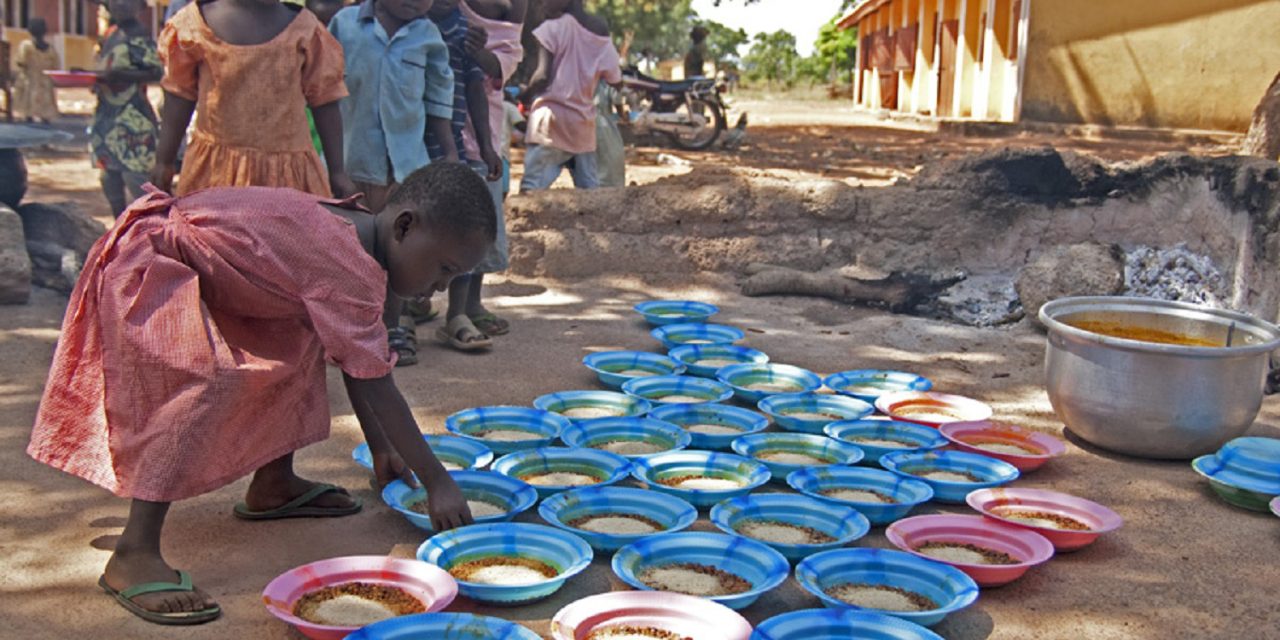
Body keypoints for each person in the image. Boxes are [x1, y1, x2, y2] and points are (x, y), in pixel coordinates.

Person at [28, 162, 492, 626]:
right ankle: (135, 551)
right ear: (405, 226)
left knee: (298, 344)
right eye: (445, 269)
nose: (443, 287)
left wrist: (382, 449)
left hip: (207, 271)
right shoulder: (344, 263)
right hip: (153, 264)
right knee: (200, 386)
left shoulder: (361, 244)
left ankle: (274, 484)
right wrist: (438, 481)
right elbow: (377, 383)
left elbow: (361, 364)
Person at [329, 0, 456, 366]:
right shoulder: (345, 25)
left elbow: (438, 98)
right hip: (352, 165)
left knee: (398, 251)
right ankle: (350, 330)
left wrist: (448, 152)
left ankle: (392, 325)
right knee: (350, 250)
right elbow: (323, 89)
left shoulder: (427, 34)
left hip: (405, 169)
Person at [151, 0, 354, 198]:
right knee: (214, 232)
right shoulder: (196, 25)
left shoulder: (305, 29)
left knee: (284, 232)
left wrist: (337, 171)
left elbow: (324, 101)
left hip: (287, 179)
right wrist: (164, 161)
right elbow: (180, 96)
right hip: (214, 173)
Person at [445, 0, 526, 343]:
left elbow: (494, 68)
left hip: (481, 142)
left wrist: (476, 51)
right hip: (433, 133)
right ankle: (412, 305)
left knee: (476, 229)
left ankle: (467, 307)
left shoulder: (509, 41)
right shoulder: (443, 14)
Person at [427, 0, 503, 352]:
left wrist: (486, 146)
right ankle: (396, 322)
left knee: (463, 229)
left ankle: (456, 314)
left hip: (452, 145)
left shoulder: (463, 32)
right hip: (402, 147)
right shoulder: (402, 26)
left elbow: (476, 89)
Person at [518, 0, 621, 192]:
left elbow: (541, 77)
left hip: (550, 122)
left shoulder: (551, 29)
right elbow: (615, 79)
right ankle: (593, 222)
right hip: (582, 124)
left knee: (532, 190)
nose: (542, 5)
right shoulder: (600, 34)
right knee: (589, 191)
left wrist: (525, 94)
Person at [90, 0, 163, 218]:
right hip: (107, 116)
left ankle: (151, 229)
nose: (120, 5)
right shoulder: (111, 33)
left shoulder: (139, 35)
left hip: (132, 119)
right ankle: (120, 228)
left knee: (136, 179)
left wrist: (120, 76)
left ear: (139, 6)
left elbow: (156, 72)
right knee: (108, 177)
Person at [13, 18, 59, 124]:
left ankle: (29, 120)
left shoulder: (26, 46)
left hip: (30, 81)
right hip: (45, 83)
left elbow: (20, 62)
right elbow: (55, 66)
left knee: (28, 107)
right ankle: (45, 122)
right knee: (46, 109)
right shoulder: (51, 49)